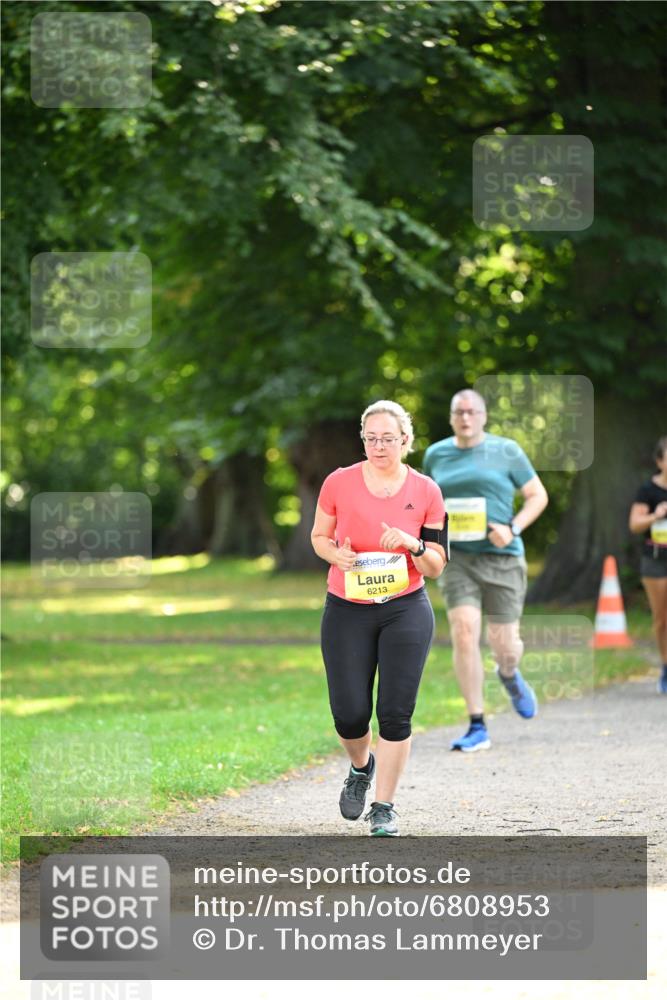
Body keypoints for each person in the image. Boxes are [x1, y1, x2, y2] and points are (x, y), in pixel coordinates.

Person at [311, 400, 447, 836]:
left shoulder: (426, 490)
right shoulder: (339, 482)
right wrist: (337, 554)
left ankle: (384, 807)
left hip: (405, 607)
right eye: (371, 438)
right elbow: (319, 537)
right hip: (347, 607)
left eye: (388, 438)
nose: (379, 445)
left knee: (394, 712)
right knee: (349, 714)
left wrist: (413, 544)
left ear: (405, 441)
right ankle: (360, 768)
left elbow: (438, 564)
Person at [423, 388, 548, 752]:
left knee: (504, 645)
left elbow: (537, 496)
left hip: (502, 556)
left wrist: (513, 527)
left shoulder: (506, 450)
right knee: (464, 631)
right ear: (451, 417)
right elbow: (427, 502)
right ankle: (477, 723)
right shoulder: (436, 455)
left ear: (483, 415)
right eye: (458, 411)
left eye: (472, 411)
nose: (465, 418)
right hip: (457, 557)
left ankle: (508, 673)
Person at [628, 435, 667, 694]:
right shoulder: (648, 490)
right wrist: (656, 515)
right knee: (662, 619)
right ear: (659, 461)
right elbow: (634, 525)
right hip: (656, 562)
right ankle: (666, 667)